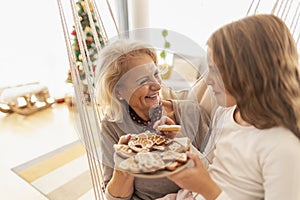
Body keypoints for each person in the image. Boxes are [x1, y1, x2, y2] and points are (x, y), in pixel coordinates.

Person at [159, 14, 300, 200]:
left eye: (216, 70)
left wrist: (208, 189)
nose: (208, 81)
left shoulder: (282, 146)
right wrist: (179, 141)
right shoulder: (227, 114)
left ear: (250, 72)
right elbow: (210, 167)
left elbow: (211, 186)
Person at [94, 39, 210, 200]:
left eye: (156, 74)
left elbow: (216, 174)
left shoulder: (190, 112)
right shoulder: (112, 126)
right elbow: (113, 197)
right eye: (143, 81)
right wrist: (123, 169)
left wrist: (178, 139)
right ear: (119, 92)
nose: (157, 85)